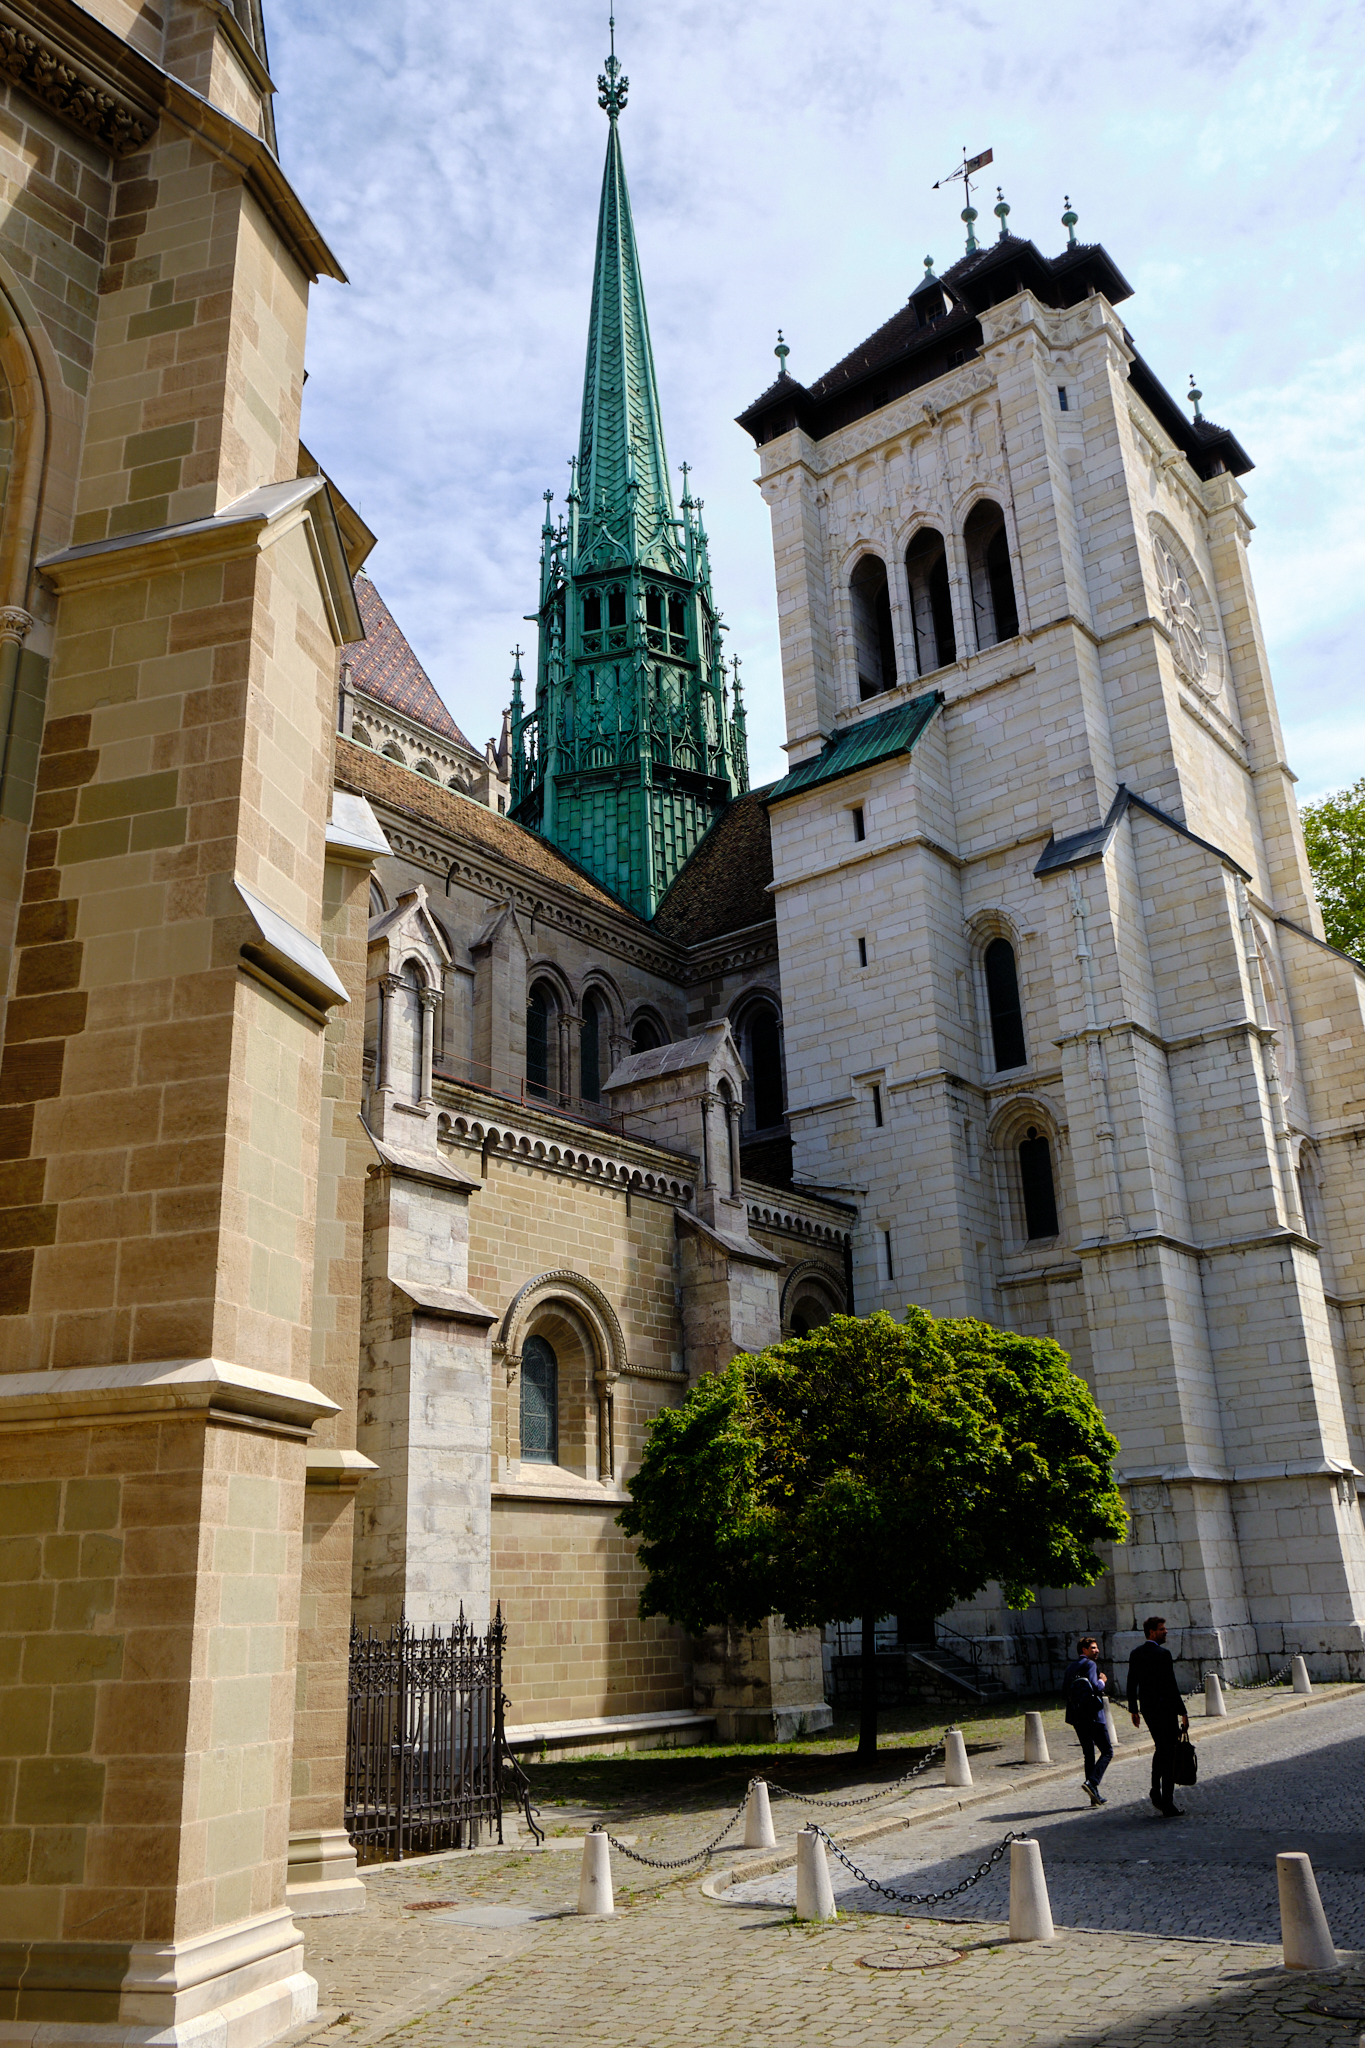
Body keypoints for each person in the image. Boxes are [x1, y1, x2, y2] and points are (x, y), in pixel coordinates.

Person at [1126, 1615, 1189, 1817]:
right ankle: (1167, 1801)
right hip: (1166, 1709)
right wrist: (1183, 1712)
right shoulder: (1163, 1654)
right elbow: (1171, 1685)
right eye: (1162, 1629)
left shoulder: (1136, 1653)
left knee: (1161, 1748)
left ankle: (1155, 1788)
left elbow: (1131, 1684)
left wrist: (1134, 1710)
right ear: (1152, 1632)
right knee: (1169, 1753)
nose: (1165, 1632)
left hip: (1148, 1709)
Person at [1063, 1635, 1112, 1805]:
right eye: (1093, 1648)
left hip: (1076, 1717)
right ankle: (1092, 1782)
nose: (1097, 1650)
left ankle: (1093, 1796)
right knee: (1107, 1751)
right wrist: (1102, 1681)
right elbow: (1094, 1686)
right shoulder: (1090, 1664)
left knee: (1089, 1754)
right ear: (1084, 1650)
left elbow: (1064, 1692)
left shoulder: (1070, 1667)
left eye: (1096, 1647)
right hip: (1093, 1716)